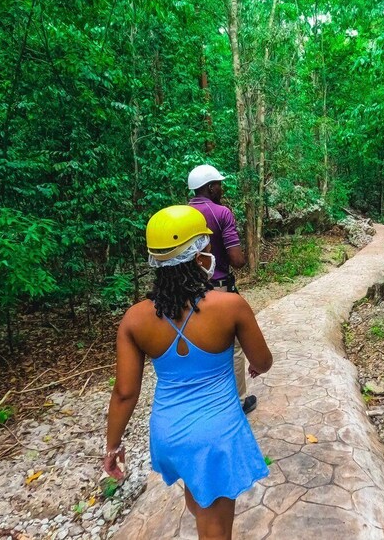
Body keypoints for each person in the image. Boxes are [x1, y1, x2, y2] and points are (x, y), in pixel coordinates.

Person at [103, 205, 273, 540]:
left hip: (169, 433)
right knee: (214, 527)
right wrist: (253, 362)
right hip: (215, 434)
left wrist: (112, 446)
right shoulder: (230, 307)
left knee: (200, 501)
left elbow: (125, 392)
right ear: (199, 256)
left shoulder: (135, 319)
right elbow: (263, 361)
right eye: (207, 249)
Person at [187, 164, 257, 415]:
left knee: (198, 343)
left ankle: (204, 400)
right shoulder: (221, 213)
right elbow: (236, 259)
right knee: (235, 346)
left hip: (187, 291)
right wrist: (244, 254)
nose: (222, 187)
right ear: (209, 187)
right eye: (219, 184)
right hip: (218, 288)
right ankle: (238, 401)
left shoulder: (182, 214)